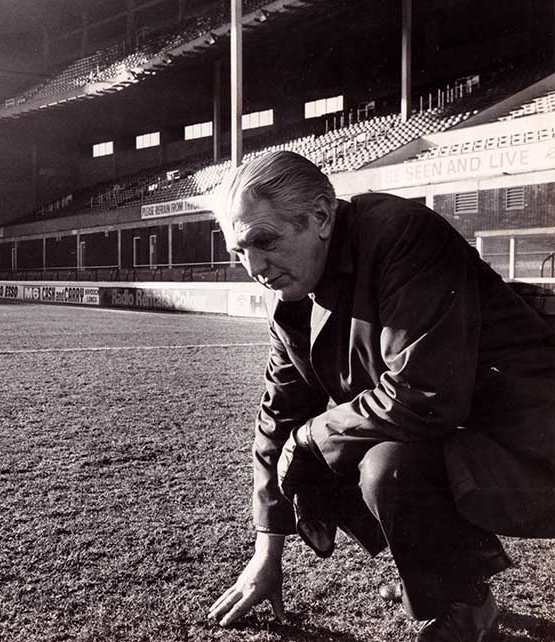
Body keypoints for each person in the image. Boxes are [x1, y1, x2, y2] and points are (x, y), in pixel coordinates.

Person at [203, 150, 555, 641]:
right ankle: (445, 577)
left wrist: (309, 440)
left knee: (380, 464)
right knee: (328, 455)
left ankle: (463, 597)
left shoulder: (402, 235)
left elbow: (424, 394)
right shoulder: (286, 290)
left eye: (264, 242)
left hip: (530, 444)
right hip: (456, 433)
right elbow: (279, 414)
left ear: (322, 217)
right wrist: (267, 554)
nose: (254, 267)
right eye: (239, 251)